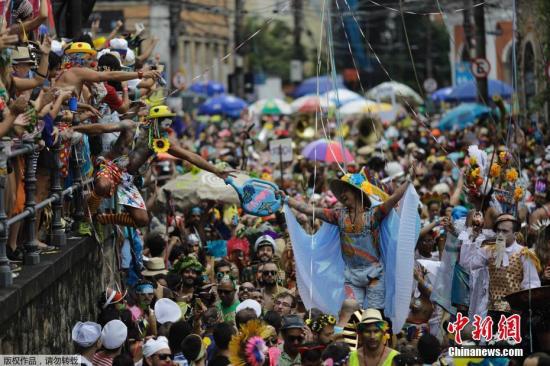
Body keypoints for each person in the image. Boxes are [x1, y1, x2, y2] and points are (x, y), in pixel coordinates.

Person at [285, 168, 413, 309]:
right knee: (350, 313)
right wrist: (286, 199)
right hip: (351, 276)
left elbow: (394, 197)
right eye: (342, 191)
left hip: (374, 275)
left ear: (357, 192)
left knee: (374, 316)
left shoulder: (373, 215)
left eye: (346, 190)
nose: (342, 194)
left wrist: (409, 179)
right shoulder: (338, 216)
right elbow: (308, 210)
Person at [471, 214, 541, 313]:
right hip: (490, 310)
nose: (500, 234)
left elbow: (532, 283)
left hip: (515, 310)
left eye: (504, 231)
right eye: (498, 230)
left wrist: (525, 304)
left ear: (515, 234)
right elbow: (470, 265)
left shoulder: (524, 254)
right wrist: (474, 237)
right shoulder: (488, 251)